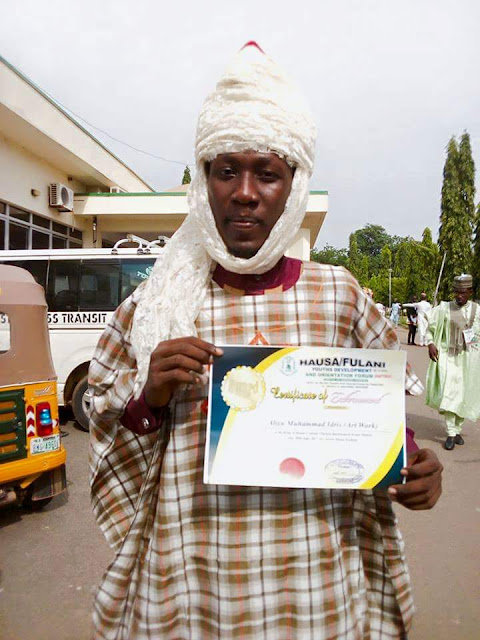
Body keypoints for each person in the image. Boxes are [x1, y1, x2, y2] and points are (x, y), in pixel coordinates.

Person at [89, 43, 443, 640]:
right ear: (204, 182)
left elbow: (380, 428)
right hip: (191, 587)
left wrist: (413, 469)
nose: (246, 193)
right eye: (227, 171)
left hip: (316, 591)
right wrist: (148, 395)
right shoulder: (157, 304)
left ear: (294, 185)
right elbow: (104, 419)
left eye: (268, 173)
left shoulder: (339, 295)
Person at [426, 274, 480, 450]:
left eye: (463, 292)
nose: (459, 296)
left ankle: (457, 430)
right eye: (456, 292)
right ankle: (450, 433)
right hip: (447, 357)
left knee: (464, 395)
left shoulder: (477, 311)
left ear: (470, 292)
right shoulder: (444, 308)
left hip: (468, 359)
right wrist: (430, 343)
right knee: (449, 393)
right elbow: (430, 328)